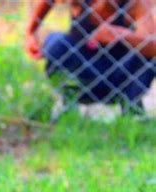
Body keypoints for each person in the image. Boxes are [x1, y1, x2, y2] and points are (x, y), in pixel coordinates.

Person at [25, 0, 155, 113]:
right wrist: (30, 32)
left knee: (150, 53)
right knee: (55, 40)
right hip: (83, 72)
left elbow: (152, 43)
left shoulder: (135, 3)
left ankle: (132, 109)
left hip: (120, 78)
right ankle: (68, 101)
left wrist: (120, 34)